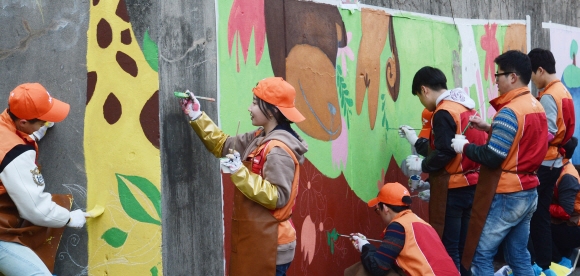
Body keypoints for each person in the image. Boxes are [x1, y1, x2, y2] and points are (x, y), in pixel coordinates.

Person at [179, 77, 308, 276]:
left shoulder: (278, 149)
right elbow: (224, 145)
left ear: (273, 110)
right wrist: (197, 115)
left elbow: (277, 197)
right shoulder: (259, 137)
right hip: (256, 239)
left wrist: (239, 171)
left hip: (270, 246)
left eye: (255, 103)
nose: (250, 107)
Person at [451, 50, 548, 275]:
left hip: (508, 194)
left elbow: (493, 156)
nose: (496, 80)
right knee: (518, 254)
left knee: (480, 256)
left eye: (498, 75)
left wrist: (463, 147)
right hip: (529, 190)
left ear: (512, 77)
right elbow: (523, 141)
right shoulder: (536, 105)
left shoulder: (509, 111)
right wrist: (489, 128)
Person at [399, 66, 487, 274]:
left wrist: (423, 165)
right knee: (465, 248)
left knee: (449, 249)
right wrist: (417, 140)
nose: (423, 103)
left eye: (419, 97)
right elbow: (446, 146)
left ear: (424, 90)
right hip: (473, 185)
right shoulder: (466, 107)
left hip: (453, 189)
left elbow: (444, 152)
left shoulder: (442, 112)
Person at [0, 83, 87, 275]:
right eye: (41, 121)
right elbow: (34, 208)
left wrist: (34, 132)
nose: (45, 123)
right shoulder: (15, 154)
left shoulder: (5, 125)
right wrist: (68, 217)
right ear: (22, 122)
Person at [527, 48, 576, 276]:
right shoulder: (563, 91)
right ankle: (545, 265)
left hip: (544, 162)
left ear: (540, 70)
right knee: (542, 215)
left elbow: (546, 134)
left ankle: (539, 264)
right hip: (557, 161)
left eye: (532, 74)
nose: (531, 80)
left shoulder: (548, 95)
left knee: (534, 216)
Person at [348, 182, 458, 276]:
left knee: (362, 269)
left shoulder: (398, 226)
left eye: (378, 210)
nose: (379, 214)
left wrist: (364, 246)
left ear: (385, 208)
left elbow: (377, 267)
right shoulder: (421, 223)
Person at [549, 137, 580, 269]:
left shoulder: (567, 176)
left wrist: (543, 206)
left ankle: (560, 262)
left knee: (537, 227)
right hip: (566, 224)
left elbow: (566, 212)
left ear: (560, 152)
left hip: (573, 227)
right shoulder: (560, 169)